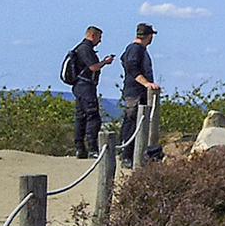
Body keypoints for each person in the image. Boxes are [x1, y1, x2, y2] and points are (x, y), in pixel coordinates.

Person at [118, 22, 162, 164]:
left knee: (135, 121)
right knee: (132, 122)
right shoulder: (135, 49)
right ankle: (127, 154)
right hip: (135, 92)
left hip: (136, 91)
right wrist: (146, 83)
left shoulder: (135, 49)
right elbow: (132, 67)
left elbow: (122, 59)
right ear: (149, 36)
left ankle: (130, 153)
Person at [68, 26, 115, 159]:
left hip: (80, 87)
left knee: (81, 117)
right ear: (92, 36)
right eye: (99, 37)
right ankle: (92, 149)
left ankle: (80, 149)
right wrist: (105, 62)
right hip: (85, 87)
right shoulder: (85, 49)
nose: (100, 41)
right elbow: (93, 67)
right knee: (93, 117)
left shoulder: (79, 48)